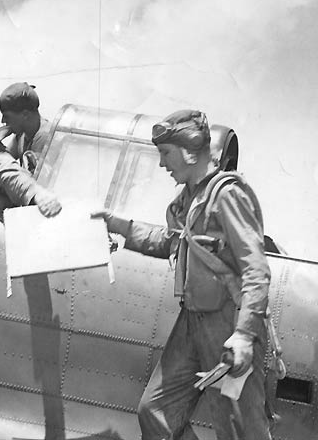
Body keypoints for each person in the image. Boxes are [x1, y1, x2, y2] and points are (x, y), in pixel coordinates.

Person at [92, 110, 272, 439]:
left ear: (189, 151)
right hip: (191, 323)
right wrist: (122, 227)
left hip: (227, 324)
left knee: (239, 428)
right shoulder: (187, 201)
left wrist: (245, 334)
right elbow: (173, 242)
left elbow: (256, 269)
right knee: (155, 411)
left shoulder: (227, 196)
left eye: (166, 153)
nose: (162, 164)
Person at [0, 82, 52, 173]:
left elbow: (36, 180)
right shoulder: (22, 134)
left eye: (7, 116)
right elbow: (4, 160)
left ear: (25, 114)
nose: (3, 121)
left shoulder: (45, 138)